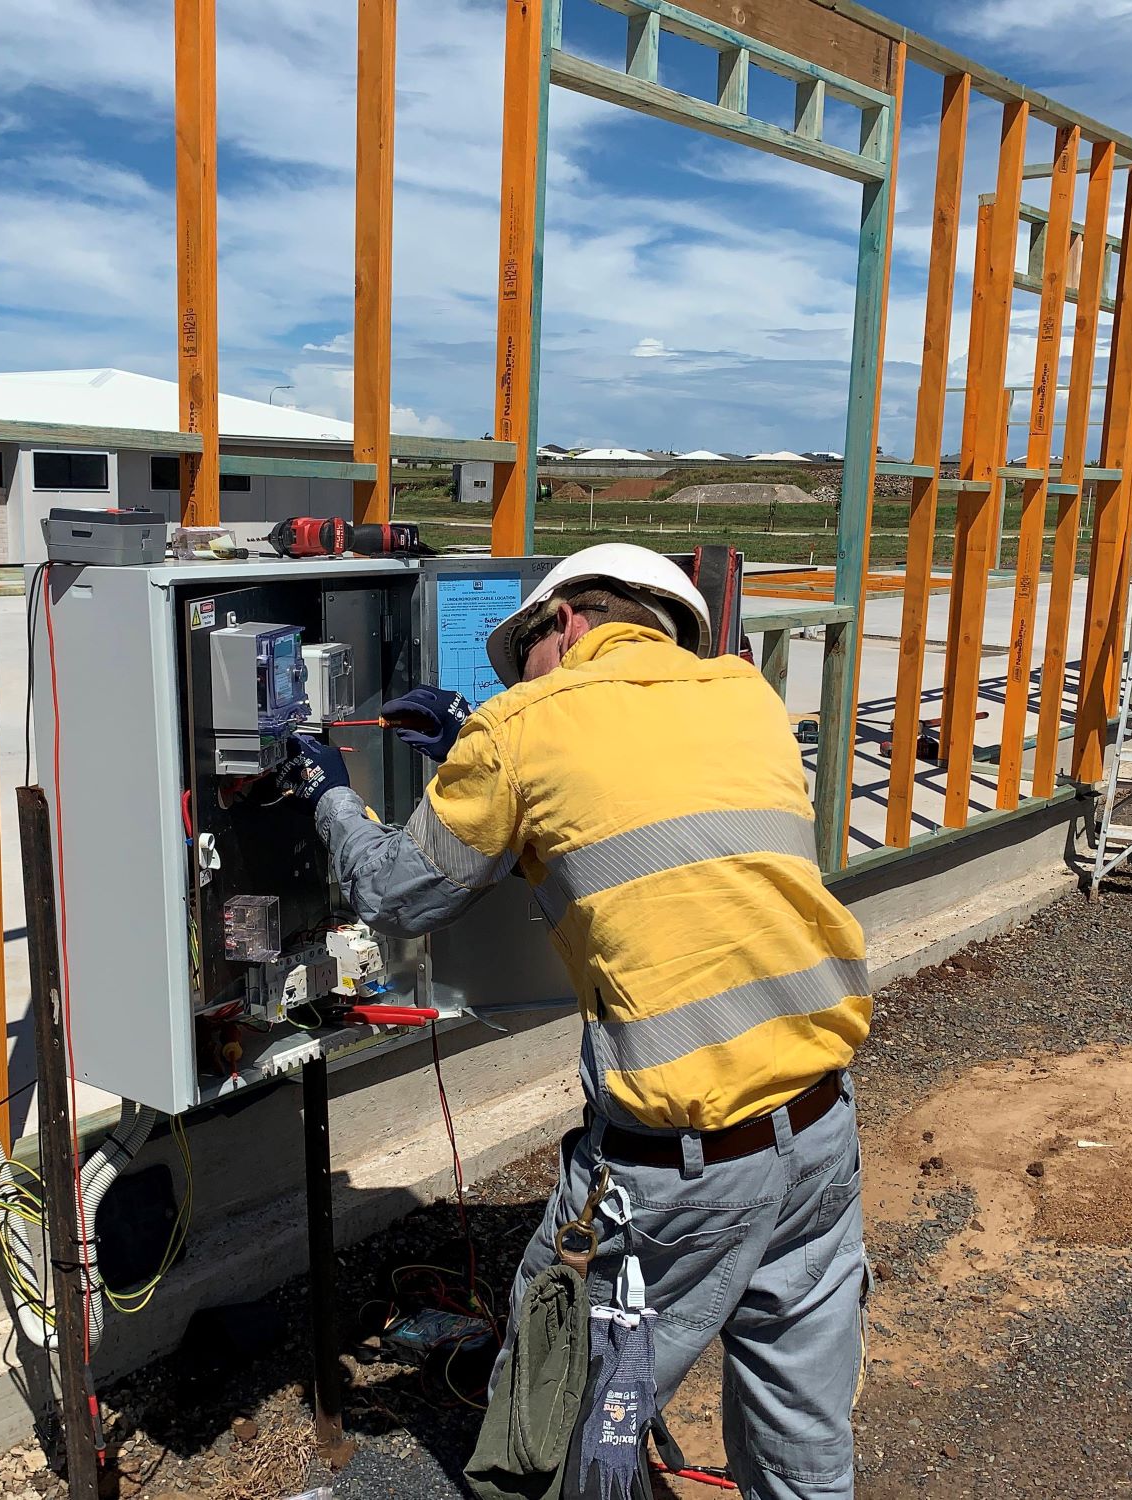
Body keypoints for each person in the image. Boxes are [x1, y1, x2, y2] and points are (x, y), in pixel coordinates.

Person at [287, 543, 872, 1499]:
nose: (523, 678)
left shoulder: (525, 725)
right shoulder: (744, 697)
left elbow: (396, 895)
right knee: (802, 1442)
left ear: (566, 621)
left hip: (677, 1173)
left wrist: (329, 794)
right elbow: (641, 794)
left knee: (558, 1419)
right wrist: (474, 739)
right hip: (820, 1139)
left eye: (526, 655)